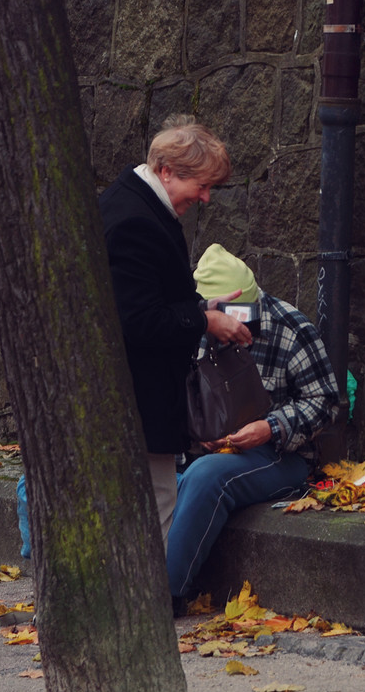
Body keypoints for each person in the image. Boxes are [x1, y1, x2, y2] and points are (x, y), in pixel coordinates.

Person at [100, 115, 252, 544]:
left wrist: (202, 307)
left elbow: (148, 297)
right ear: (167, 171)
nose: (205, 198)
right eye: (201, 186)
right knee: (156, 505)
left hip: (133, 398)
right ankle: (150, 603)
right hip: (137, 398)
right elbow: (137, 320)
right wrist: (205, 319)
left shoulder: (134, 203)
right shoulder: (135, 221)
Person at [166, 244, 341, 610]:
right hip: (203, 450)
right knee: (168, 472)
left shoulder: (290, 327)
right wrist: (198, 433)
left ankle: (163, 596)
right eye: (221, 316)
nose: (235, 323)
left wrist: (271, 427)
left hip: (279, 454)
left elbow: (324, 402)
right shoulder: (190, 327)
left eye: (243, 313)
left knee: (206, 476)